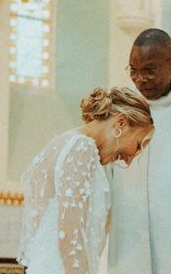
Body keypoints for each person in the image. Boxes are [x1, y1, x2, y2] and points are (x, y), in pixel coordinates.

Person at [19, 87, 154, 274]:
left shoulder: (67, 143)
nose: (131, 158)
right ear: (121, 123)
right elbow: (70, 238)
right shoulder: (82, 147)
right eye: (137, 144)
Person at [108, 29, 171, 274]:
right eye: (133, 70)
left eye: (149, 71)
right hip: (131, 231)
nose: (140, 79)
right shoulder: (123, 106)